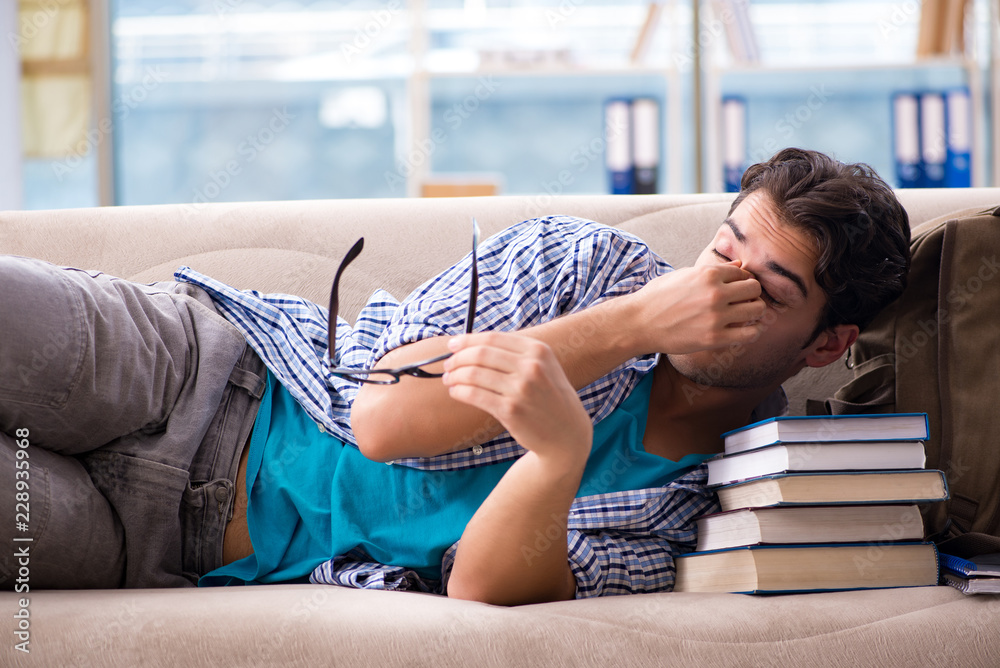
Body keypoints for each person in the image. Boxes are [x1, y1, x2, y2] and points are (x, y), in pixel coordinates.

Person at [0, 148, 910, 605]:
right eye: (724, 249)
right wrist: (629, 326)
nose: (720, 286)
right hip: (199, 370)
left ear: (825, 345)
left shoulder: (709, 515)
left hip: (169, 542)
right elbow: (384, 418)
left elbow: (481, 590)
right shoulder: (583, 266)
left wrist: (556, 461)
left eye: (765, 289)